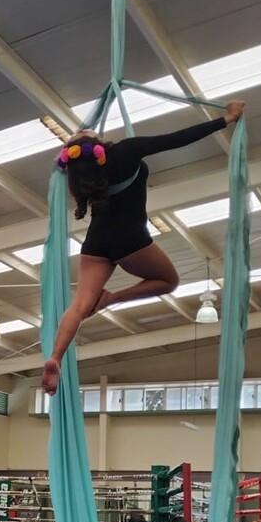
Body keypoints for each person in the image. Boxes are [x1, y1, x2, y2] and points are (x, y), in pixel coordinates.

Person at [41, 100, 246, 395]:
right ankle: (113, 298)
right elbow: (177, 139)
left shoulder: (75, 176)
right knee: (169, 281)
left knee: (80, 305)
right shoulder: (126, 150)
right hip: (130, 239)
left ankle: (56, 357)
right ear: (96, 145)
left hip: (97, 242)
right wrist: (226, 119)